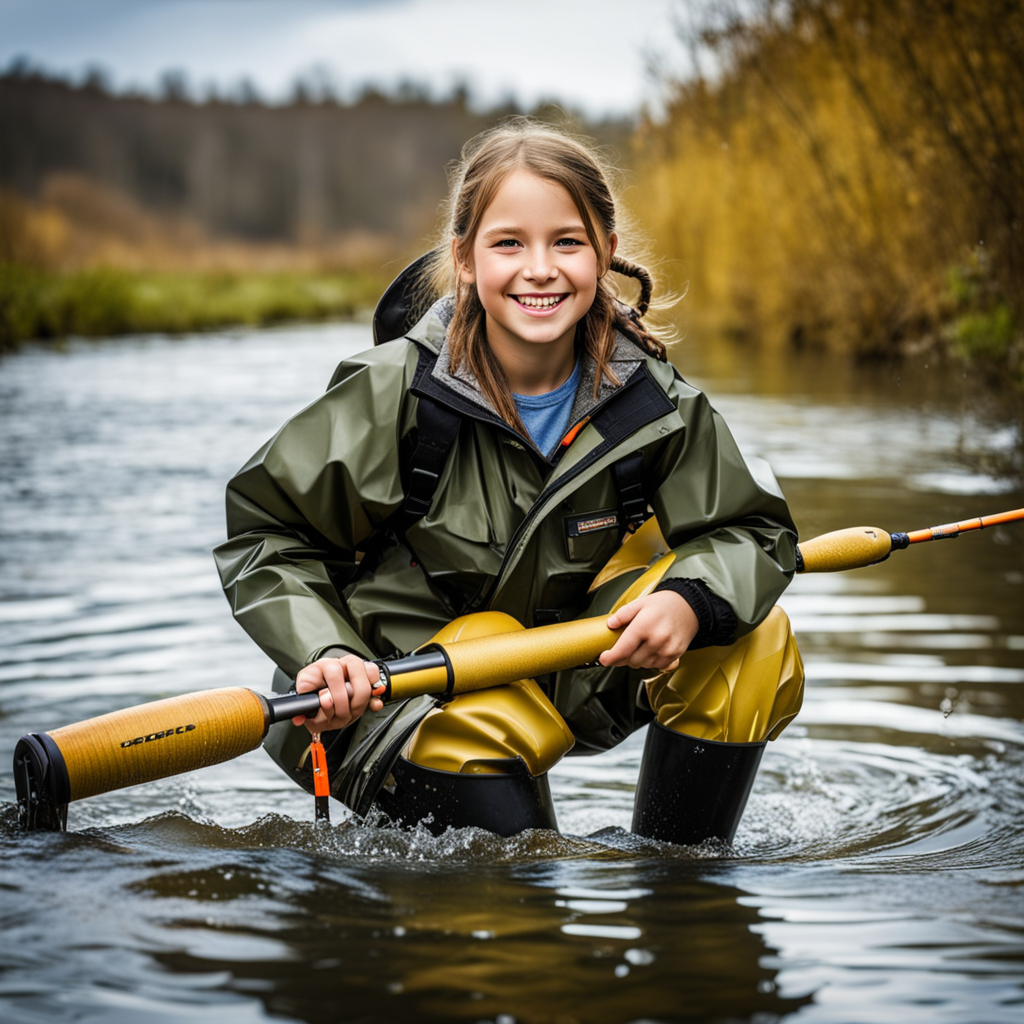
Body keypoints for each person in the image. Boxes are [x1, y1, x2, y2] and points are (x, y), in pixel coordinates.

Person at [214, 120, 803, 844]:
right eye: (508, 243)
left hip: (560, 675)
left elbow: (751, 531)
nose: (540, 268)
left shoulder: (655, 401)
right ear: (464, 259)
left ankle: (678, 895)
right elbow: (265, 536)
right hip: (387, 699)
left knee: (749, 636)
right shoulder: (392, 392)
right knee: (526, 907)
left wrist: (690, 601)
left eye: (567, 241)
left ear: (606, 254)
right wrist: (325, 653)